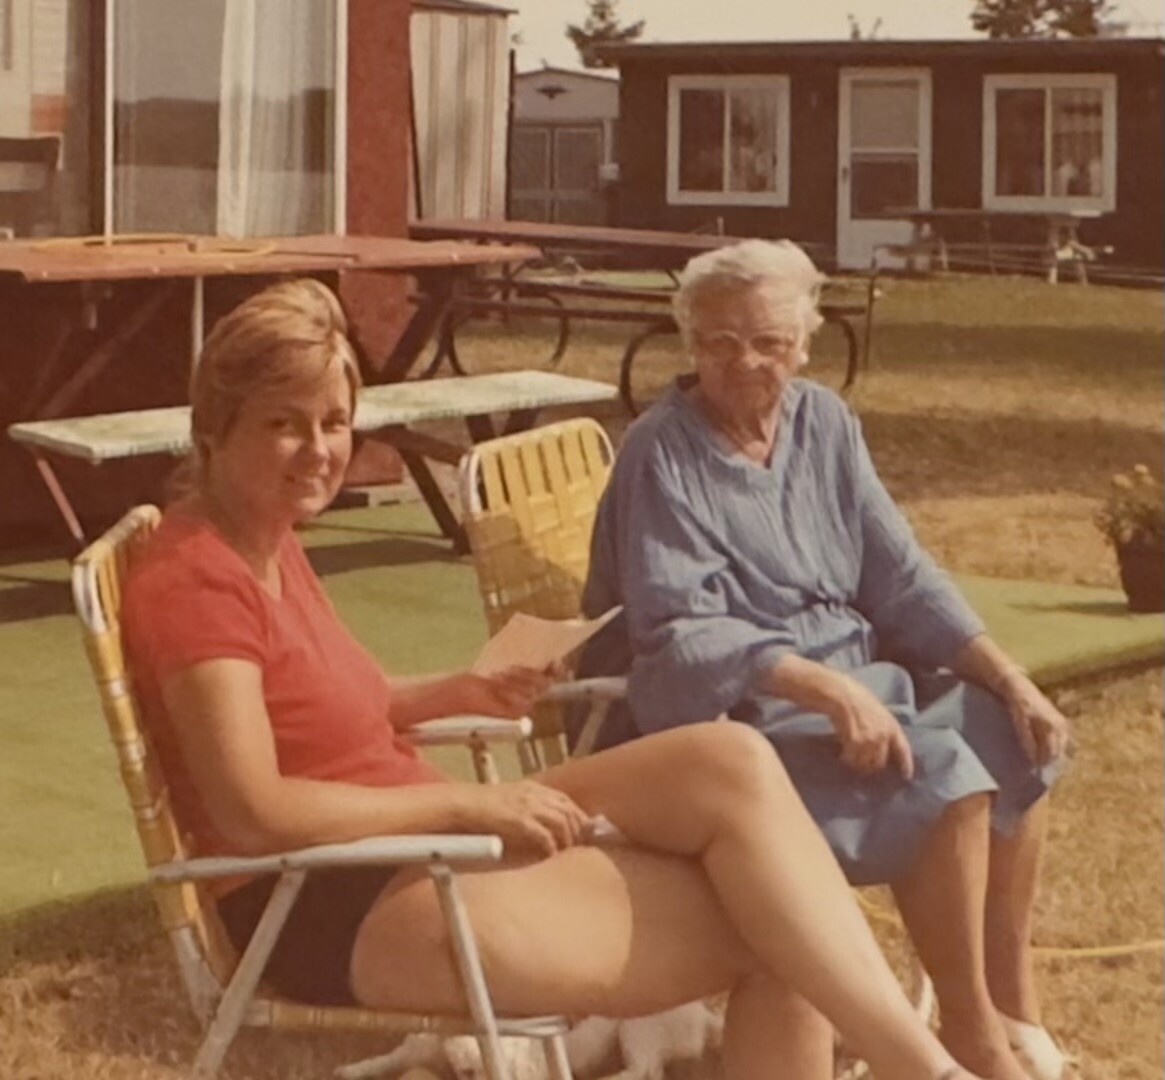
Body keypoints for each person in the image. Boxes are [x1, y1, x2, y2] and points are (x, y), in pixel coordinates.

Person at [121, 278, 982, 1080]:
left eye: (335, 422)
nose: (318, 450)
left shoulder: (262, 534)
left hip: (405, 854)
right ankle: (925, 1067)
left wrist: (450, 692)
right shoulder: (199, 580)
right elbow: (252, 809)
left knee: (729, 759)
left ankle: (922, 1067)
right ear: (214, 426)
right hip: (324, 902)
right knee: (783, 937)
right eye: (285, 424)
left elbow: (315, 708)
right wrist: (467, 805)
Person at [577, 240, 1073, 1080]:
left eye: (768, 342)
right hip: (723, 715)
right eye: (720, 341)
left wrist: (1008, 674)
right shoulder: (660, 452)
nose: (744, 362)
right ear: (690, 343)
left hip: (853, 685)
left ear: (805, 343)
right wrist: (824, 689)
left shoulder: (824, 423)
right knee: (944, 770)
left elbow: (901, 575)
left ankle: (1008, 1003)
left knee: (1010, 732)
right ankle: (966, 1034)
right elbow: (676, 634)